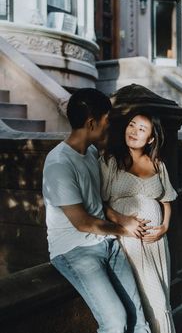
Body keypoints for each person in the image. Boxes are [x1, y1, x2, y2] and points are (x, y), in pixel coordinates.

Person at [42, 88, 151, 333]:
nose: (109, 126)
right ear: (92, 123)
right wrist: (124, 229)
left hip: (107, 242)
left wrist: (123, 219)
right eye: (106, 121)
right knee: (115, 321)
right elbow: (82, 222)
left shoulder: (91, 152)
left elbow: (97, 204)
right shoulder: (59, 163)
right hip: (74, 250)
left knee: (139, 319)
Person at [100, 109, 177, 333]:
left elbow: (167, 200)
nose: (134, 131)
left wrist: (164, 227)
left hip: (156, 243)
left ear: (151, 138)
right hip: (127, 242)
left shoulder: (157, 164)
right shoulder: (110, 160)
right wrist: (122, 220)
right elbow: (98, 202)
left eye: (141, 129)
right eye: (131, 125)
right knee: (140, 300)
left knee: (161, 300)